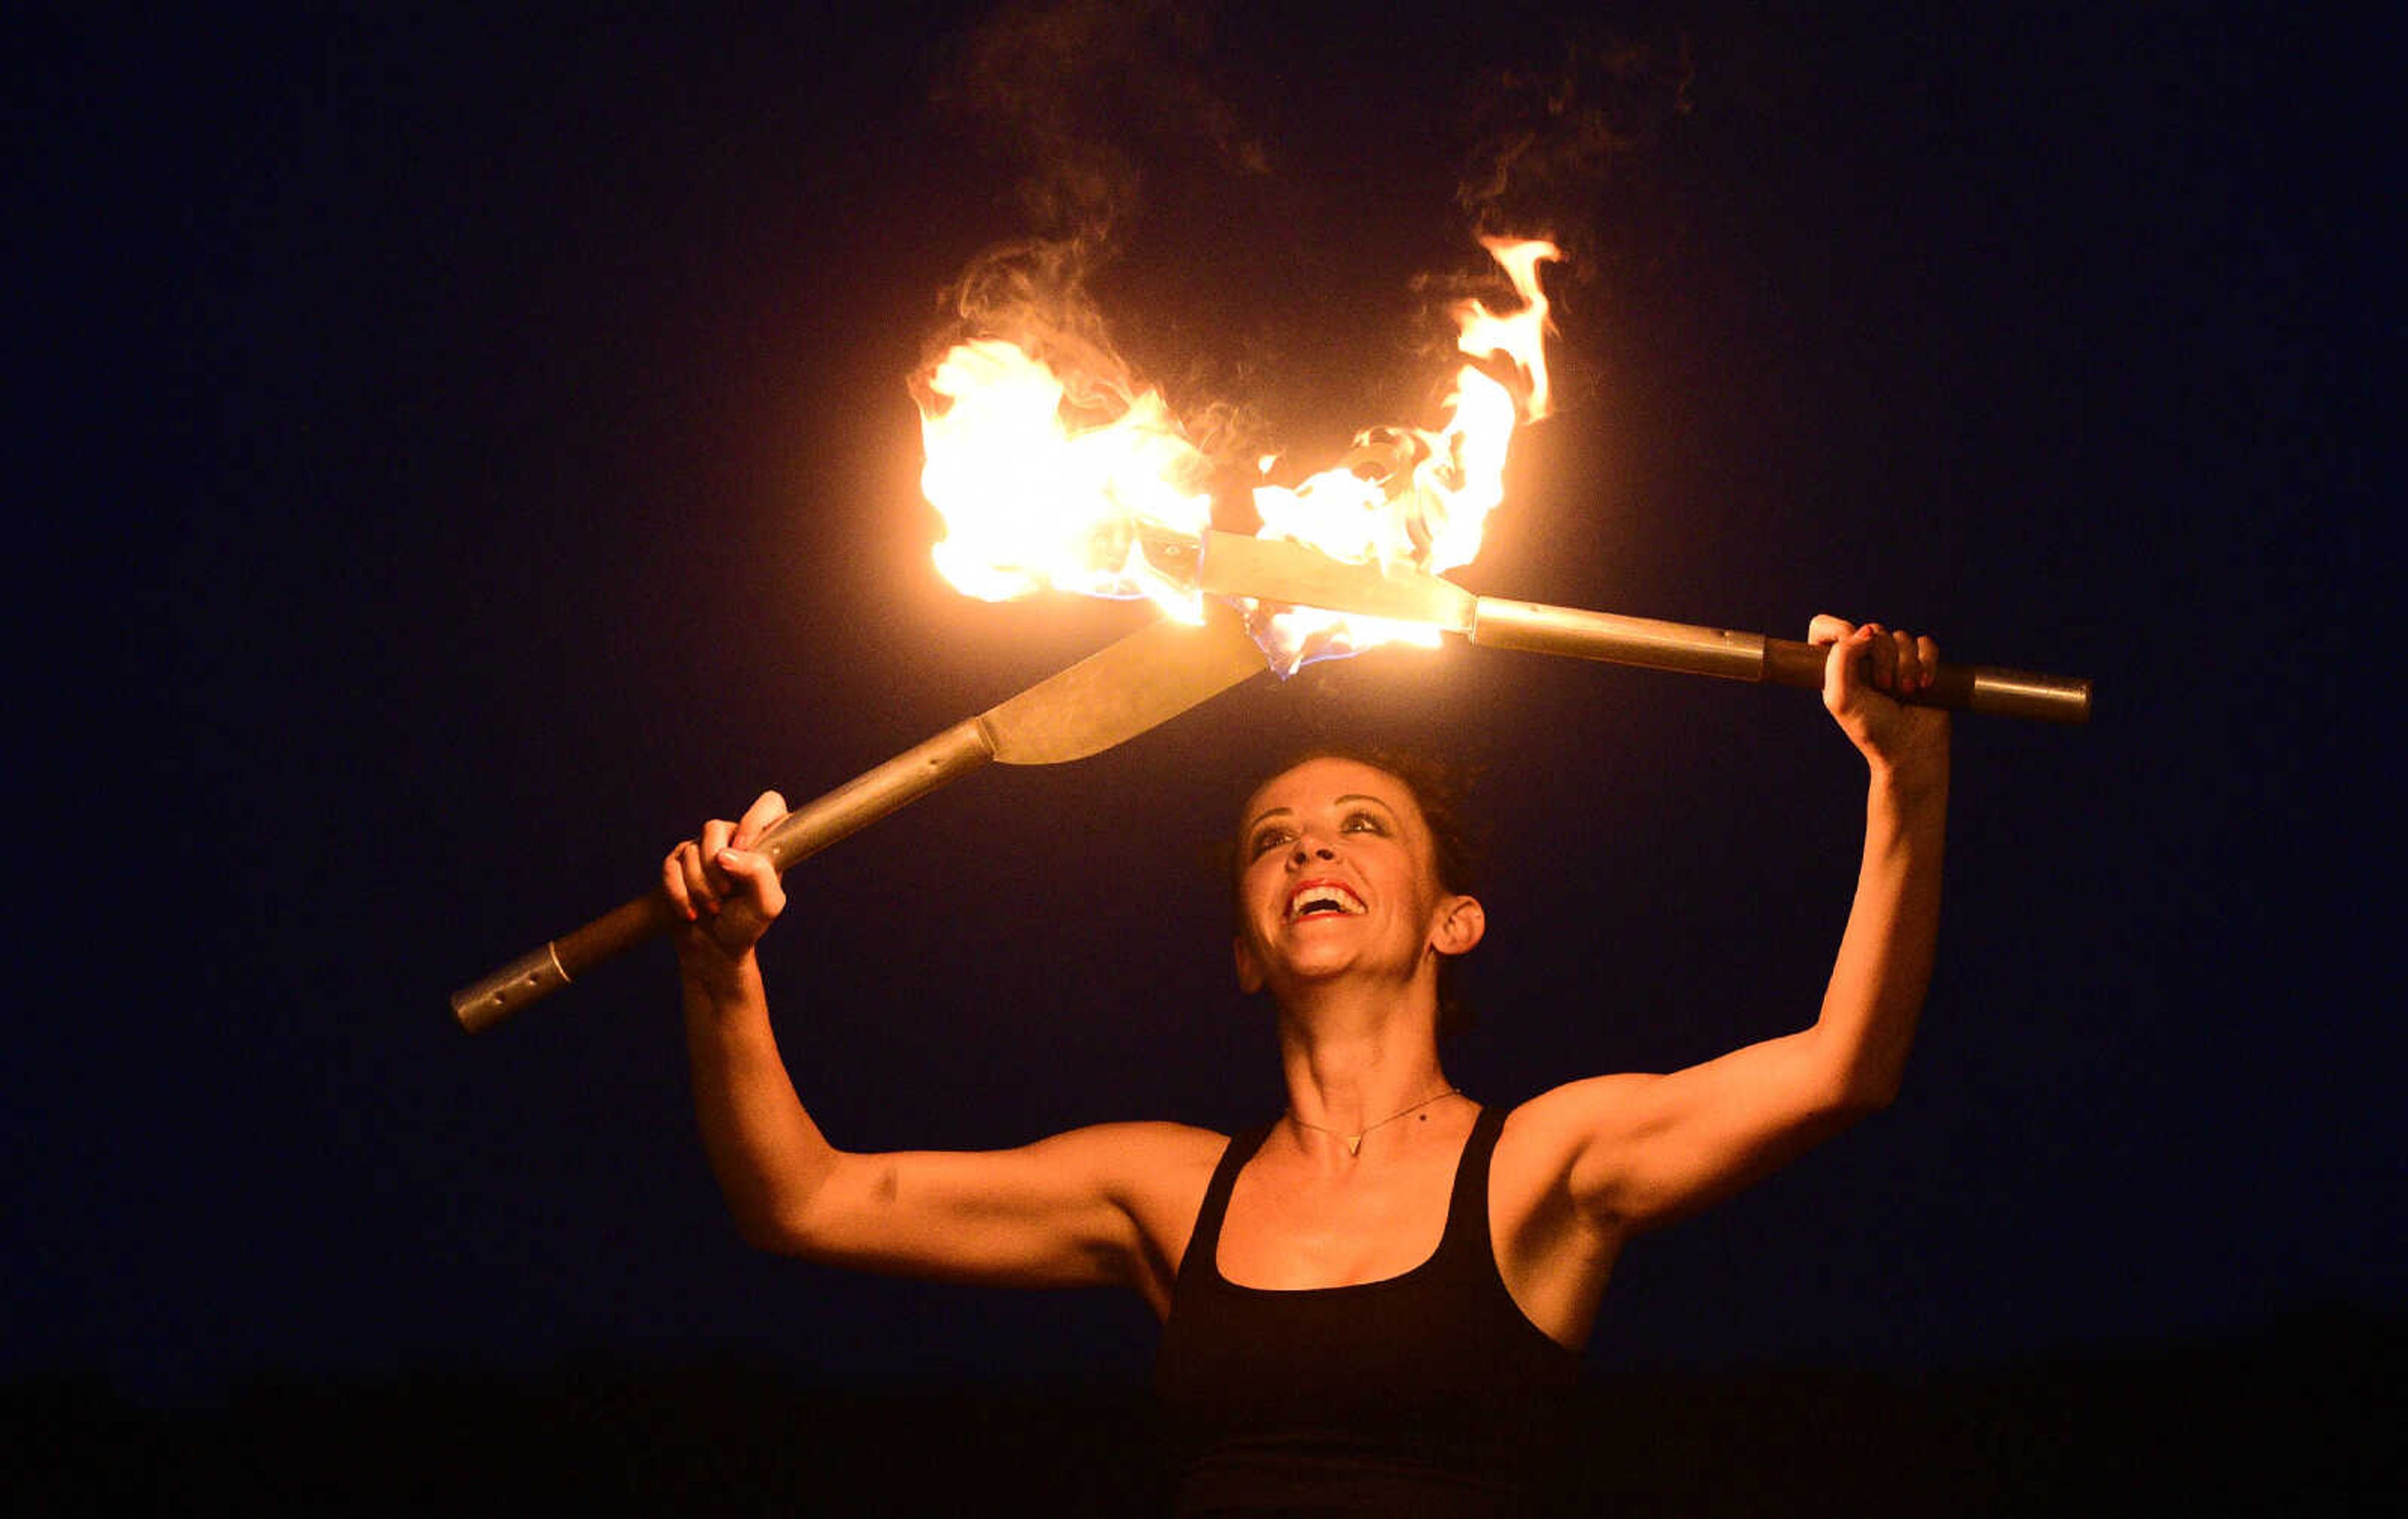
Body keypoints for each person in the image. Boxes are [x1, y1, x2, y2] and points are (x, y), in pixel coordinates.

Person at [665, 617, 1951, 1515]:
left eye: (1361, 827)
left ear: (1456, 916)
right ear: (1243, 947)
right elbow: (806, 1199)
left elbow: (1848, 1063)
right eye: (1272, 839)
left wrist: (1906, 773)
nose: (1309, 851)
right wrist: (723, 970)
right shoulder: (1160, 1189)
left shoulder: (1545, 1163)